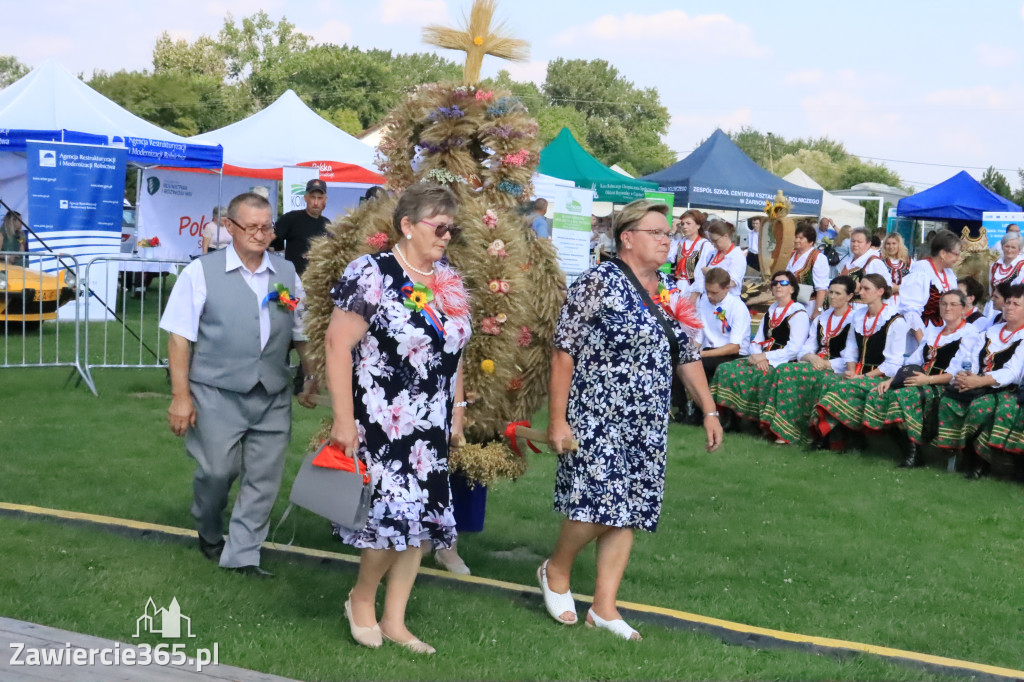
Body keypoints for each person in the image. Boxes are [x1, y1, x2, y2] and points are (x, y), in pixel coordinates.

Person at [540, 199, 722, 641]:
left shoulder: (668, 291)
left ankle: (604, 607)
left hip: (646, 419)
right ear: (628, 237)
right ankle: (557, 568)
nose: (667, 240)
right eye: (658, 232)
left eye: (669, 234)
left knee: (630, 510)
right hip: (598, 410)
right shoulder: (596, 282)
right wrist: (558, 419)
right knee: (601, 501)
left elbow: (687, 354)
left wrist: (709, 410)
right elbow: (564, 350)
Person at [325, 183, 471, 653]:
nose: (447, 235)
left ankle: (396, 619)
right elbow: (336, 344)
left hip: (429, 424)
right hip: (381, 419)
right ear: (407, 226)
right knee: (390, 522)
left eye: (452, 228)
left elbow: (456, 350)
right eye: (439, 226)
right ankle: (362, 599)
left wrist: (458, 412)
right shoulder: (372, 272)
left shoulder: (447, 279)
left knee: (421, 525)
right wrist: (343, 420)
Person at [160, 192, 317, 576]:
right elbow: (179, 337)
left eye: (267, 227)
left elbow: (300, 330)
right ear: (229, 227)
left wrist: (311, 375)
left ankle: (243, 555)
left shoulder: (286, 274)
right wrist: (181, 397)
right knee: (216, 472)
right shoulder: (200, 272)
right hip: (216, 392)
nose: (261, 235)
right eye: (251, 227)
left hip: (272, 393)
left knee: (264, 479)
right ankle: (208, 526)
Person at [864, 289, 973, 468]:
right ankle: (904, 448)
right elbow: (913, 361)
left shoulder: (969, 334)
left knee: (903, 396)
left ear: (963, 309)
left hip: (944, 385)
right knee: (880, 394)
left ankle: (914, 453)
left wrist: (927, 380)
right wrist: (891, 380)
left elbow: (958, 373)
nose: (947, 308)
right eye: (943, 304)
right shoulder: (932, 333)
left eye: (953, 304)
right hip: (919, 380)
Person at [935, 283, 1024, 479]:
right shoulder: (991, 332)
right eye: (1008, 302)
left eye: (1016, 304)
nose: (1009, 307)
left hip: (1005, 389)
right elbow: (973, 357)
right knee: (949, 401)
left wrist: (979, 381)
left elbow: (1013, 373)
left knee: (979, 407)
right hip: (978, 384)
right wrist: (967, 376)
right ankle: (955, 452)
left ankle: (980, 462)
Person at [811, 274, 908, 451]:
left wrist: (861, 376)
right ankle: (831, 437)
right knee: (826, 381)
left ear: (880, 292)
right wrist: (850, 372)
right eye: (860, 288)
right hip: (858, 373)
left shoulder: (895, 320)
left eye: (866, 289)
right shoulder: (858, 315)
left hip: (881, 376)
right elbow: (851, 349)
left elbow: (893, 363)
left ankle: (848, 438)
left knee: (842, 388)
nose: (860, 292)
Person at [761, 275, 856, 445]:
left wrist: (828, 364)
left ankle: (805, 431)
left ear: (849, 296)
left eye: (838, 293)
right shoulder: (822, 318)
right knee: (784, 370)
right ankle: (785, 429)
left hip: (838, 367)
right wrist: (810, 356)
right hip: (815, 363)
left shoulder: (854, 319)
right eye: (831, 292)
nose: (832, 297)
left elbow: (853, 355)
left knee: (792, 373)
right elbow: (806, 348)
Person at [711, 270, 809, 428]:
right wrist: (758, 356)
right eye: (775, 283)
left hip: (783, 361)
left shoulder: (798, 313)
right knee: (725, 368)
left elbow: (794, 348)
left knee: (755, 375)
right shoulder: (771, 310)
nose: (778, 286)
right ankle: (728, 416)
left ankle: (755, 421)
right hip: (762, 358)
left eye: (783, 283)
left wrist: (766, 357)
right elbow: (756, 341)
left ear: (792, 289)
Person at [677, 267, 751, 424]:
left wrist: (700, 354)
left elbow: (735, 347)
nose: (709, 295)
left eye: (714, 293)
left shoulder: (738, 308)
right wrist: (692, 350)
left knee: (695, 364)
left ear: (727, 288)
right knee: (679, 361)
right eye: (707, 291)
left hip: (734, 355)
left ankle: (703, 412)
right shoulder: (704, 300)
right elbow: (700, 333)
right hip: (711, 351)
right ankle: (684, 407)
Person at [898, 229, 960, 344]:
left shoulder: (949, 274)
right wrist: (923, 344)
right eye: (956, 254)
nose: (958, 258)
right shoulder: (922, 269)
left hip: (943, 333)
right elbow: (911, 311)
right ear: (943, 253)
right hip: (922, 333)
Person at [270, 178, 330, 276]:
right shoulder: (291, 218)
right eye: (312, 197)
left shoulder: (327, 224)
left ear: (325, 200)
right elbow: (269, 241)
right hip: (293, 279)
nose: (315, 202)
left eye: (319, 198)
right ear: (305, 198)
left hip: (318, 282)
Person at [691, 219, 745, 301]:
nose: (713, 244)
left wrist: (711, 274)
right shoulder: (712, 254)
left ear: (726, 236)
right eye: (711, 241)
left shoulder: (737, 256)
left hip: (727, 301)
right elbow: (700, 278)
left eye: (715, 241)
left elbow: (732, 282)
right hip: (708, 299)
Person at [786, 221, 830, 319]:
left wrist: (817, 310)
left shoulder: (818, 258)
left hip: (810, 305)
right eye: (796, 237)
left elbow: (821, 288)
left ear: (810, 242)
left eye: (801, 238)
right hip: (792, 303)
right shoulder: (792, 255)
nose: (796, 240)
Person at [838, 227, 890, 293]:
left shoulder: (874, 262)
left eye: (859, 242)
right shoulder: (850, 259)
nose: (855, 244)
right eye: (853, 241)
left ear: (868, 244)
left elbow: (886, 287)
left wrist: (862, 288)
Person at [985, 233, 1024, 317]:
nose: (1009, 250)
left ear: (1019, 249)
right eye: (1007, 246)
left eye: (1013, 247)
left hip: (1011, 309)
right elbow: (990, 289)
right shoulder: (995, 265)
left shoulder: (1022, 266)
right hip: (993, 308)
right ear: (1002, 246)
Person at [673, 209, 710, 286]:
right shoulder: (680, 242)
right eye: (682, 224)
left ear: (698, 225)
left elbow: (702, 272)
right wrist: (672, 231)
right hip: (678, 285)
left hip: (694, 287)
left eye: (688, 223)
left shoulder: (705, 245)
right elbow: (669, 257)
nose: (684, 227)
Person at [881, 232, 912, 299]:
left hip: (904, 300)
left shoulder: (909, 262)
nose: (891, 247)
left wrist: (899, 288)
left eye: (894, 243)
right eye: (888, 244)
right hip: (885, 299)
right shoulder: (880, 262)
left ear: (899, 245)